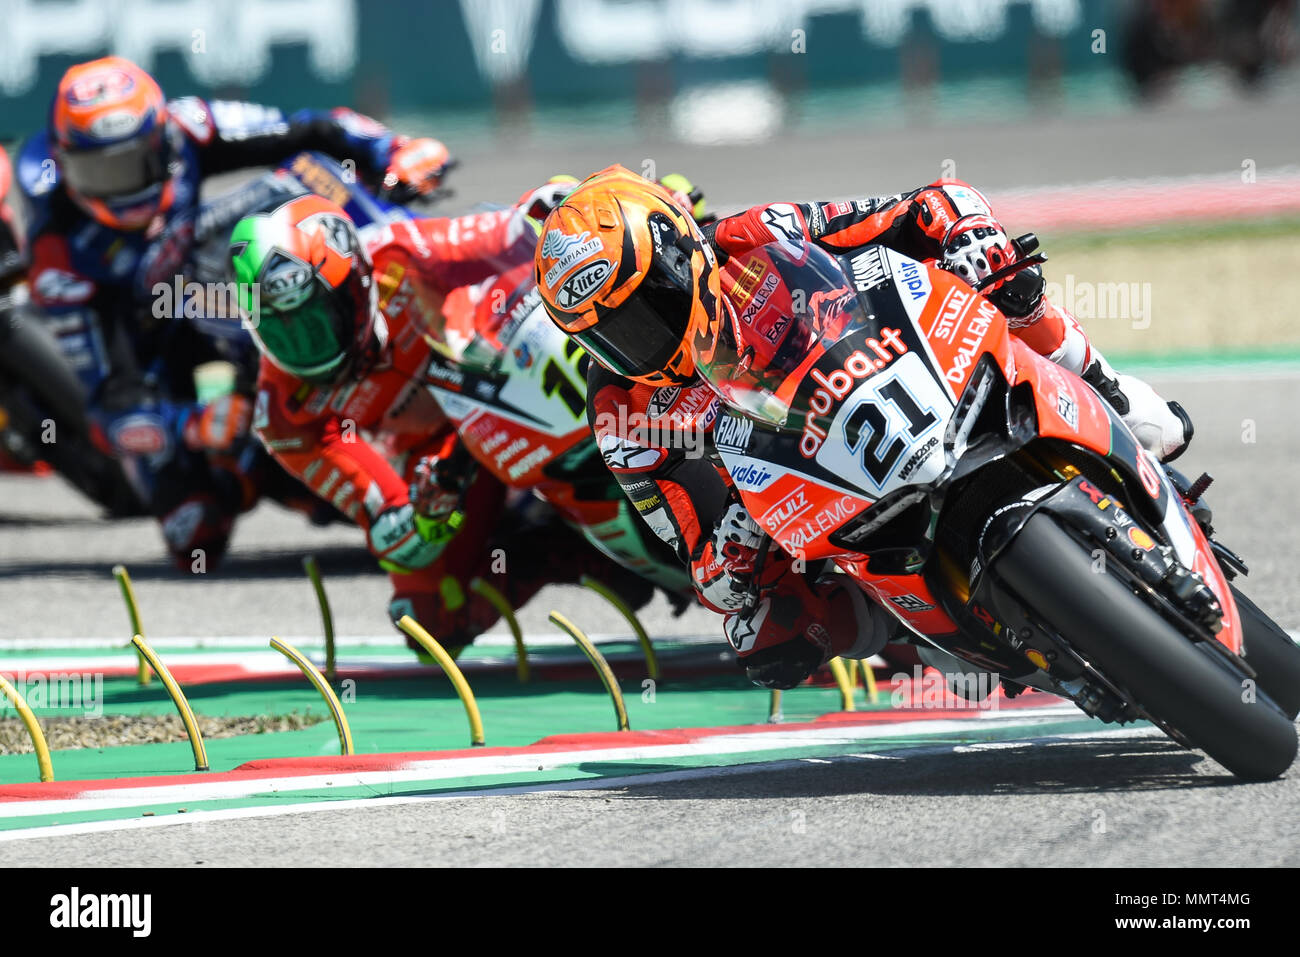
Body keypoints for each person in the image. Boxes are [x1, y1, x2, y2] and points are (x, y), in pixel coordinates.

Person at [534, 165, 1192, 688]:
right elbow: (703, 565)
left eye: (651, 306)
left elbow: (928, 204)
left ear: (682, 251)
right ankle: (926, 637)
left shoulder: (760, 232)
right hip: (817, 490)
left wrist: (967, 238)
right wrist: (730, 546)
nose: (639, 340)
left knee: (1008, 278)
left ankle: (1107, 393)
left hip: (905, 378)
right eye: (611, 335)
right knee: (764, 631)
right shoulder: (624, 415)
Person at [13, 55, 452, 567]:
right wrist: (191, 424)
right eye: (98, 170)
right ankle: (291, 470)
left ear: (160, 144)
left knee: (310, 172)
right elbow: (108, 404)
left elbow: (309, 127)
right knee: (194, 532)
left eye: (130, 164)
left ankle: (413, 276)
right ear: (65, 164)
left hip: (209, 283)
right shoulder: (58, 254)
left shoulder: (187, 125)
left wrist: (395, 150)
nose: (119, 186)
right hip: (155, 355)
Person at [230, 191, 685, 653]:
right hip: (442, 460)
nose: (308, 344)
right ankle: (557, 551)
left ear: (357, 280)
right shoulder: (284, 413)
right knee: (429, 622)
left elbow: (517, 225)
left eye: (317, 317)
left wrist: (580, 205)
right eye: (281, 329)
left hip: (502, 383)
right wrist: (429, 516)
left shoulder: (400, 251)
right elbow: (388, 526)